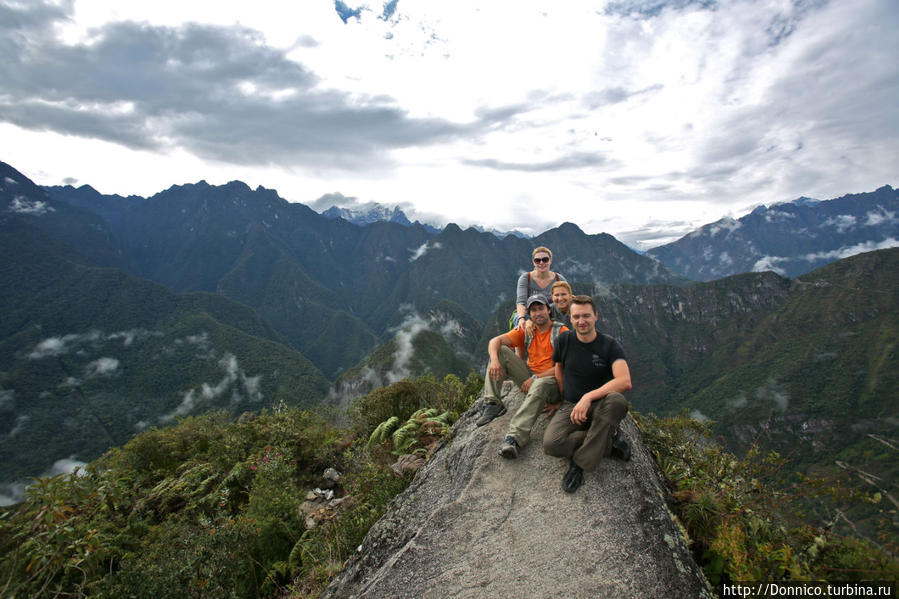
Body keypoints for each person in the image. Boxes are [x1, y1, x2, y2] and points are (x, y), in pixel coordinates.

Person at [543, 295, 633, 493]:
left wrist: (589, 396)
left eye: (586, 316)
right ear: (571, 319)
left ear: (596, 317)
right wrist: (560, 397)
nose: (581, 321)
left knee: (617, 401)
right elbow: (558, 368)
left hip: (601, 405)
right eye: (576, 317)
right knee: (552, 444)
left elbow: (624, 381)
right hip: (570, 405)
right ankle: (608, 439)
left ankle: (579, 464)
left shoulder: (609, 345)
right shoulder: (564, 340)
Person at [477, 296, 568, 459]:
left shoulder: (561, 332)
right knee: (500, 350)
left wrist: (537, 379)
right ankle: (492, 403)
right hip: (529, 377)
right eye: (533, 310)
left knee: (540, 384)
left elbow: (565, 367)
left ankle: (514, 439)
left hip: (551, 382)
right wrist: (495, 360)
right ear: (529, 314)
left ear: (548, 310)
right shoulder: (528, 329)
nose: (537, 313)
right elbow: (495, 341)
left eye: (541, 308)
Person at [513, 246, 567, 332]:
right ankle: (519, 344)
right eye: (537, 260)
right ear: (533, 262)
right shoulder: (525, 279)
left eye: (545, 259)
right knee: (518, 318)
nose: (541, 263)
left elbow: (565, 301)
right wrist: (522, 319)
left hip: (552, 313)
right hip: (531, 313)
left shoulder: (559, 279)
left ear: (550, 261)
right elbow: (521, 302)